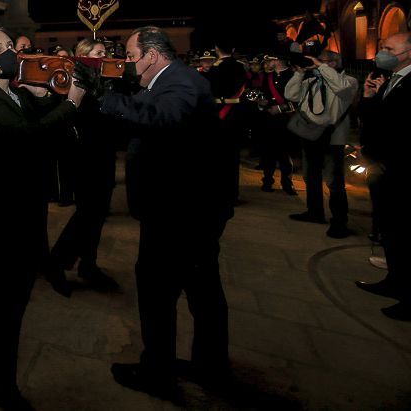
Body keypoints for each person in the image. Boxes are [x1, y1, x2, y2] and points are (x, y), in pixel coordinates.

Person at [77, 26, 232, 399]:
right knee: (203, 290)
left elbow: (162, 118)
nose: (129, 64)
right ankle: (210, 368)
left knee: (158, 292)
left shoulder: (180, 83)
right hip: (189, 207)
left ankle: (158, 373)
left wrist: (105, 98)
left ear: (150, 55)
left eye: (131, 57)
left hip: (179, 212)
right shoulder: (171, 78)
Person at [0, 25, 78, 411]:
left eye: (10, 45)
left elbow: (36, 126)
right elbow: (29, 139)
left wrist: (43, 96)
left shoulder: (11, 91)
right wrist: (71, 104)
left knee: (12, 314)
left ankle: (3, 386)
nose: (9, 52)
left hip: (21, 225)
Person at [50, 38, 119, 291]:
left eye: (105, 52)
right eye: (99, 53)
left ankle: (88, 264)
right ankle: (58, 260)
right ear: (84, 56)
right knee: (87, 213)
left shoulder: (108, 79)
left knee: (98, 214)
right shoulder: (77, 80)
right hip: (85, 156)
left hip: (105, 154)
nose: (105, 56)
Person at [356, 32, 411, 320]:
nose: (381, 52)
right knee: (389, 230)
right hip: (381, 168)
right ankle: (394, 281)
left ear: (408, 52)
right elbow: (375, 121)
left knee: (404, 233)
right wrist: (369, 97)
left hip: (400, 171)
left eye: (389, 48)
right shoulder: (391, 79)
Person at [284, 50, 357, 237]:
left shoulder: (348, 81)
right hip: (310, 135)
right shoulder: (311, 81)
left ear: (333, 64)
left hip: (333, 139)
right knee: (311, 176)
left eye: (322, 62)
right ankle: (314, 212)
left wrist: (322, 67)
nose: (316, 65)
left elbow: (341, 90)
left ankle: (340, 221)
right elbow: (291, 95)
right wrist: (299, 73)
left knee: (334, 181)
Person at [203, 41, 248, 206]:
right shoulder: (240, 66)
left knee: (216, 156)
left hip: (218, 112)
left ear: (216, 49)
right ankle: (232, 194)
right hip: (235, 112)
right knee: (232, 156)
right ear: (233, 49)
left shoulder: (215, 68)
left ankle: (217, 192)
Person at [256, 54, 297, 195]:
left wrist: (280, 108)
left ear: (278, 60)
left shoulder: (293, 75)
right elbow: (264, 94)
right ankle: (267, 181)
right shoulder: (268, 77)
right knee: (269, 152)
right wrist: (262, 104)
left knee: (285, 154)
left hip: (286, 120)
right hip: (269, 120)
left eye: (270, 60)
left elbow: (299, 99)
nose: (267, 63)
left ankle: (287, 183)